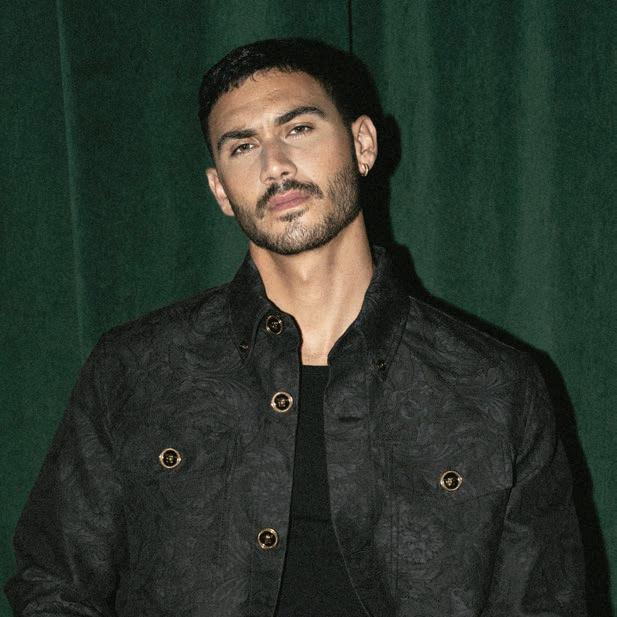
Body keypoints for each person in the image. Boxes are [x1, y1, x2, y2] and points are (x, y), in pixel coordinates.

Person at [6, 38, 586, 616]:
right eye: (243, 146)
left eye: (299, 129)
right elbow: (53, 584)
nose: (275, 166)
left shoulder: (492, 385)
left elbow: (547, 603)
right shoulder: (136, 369)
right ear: (220, 190)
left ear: (363, 144)